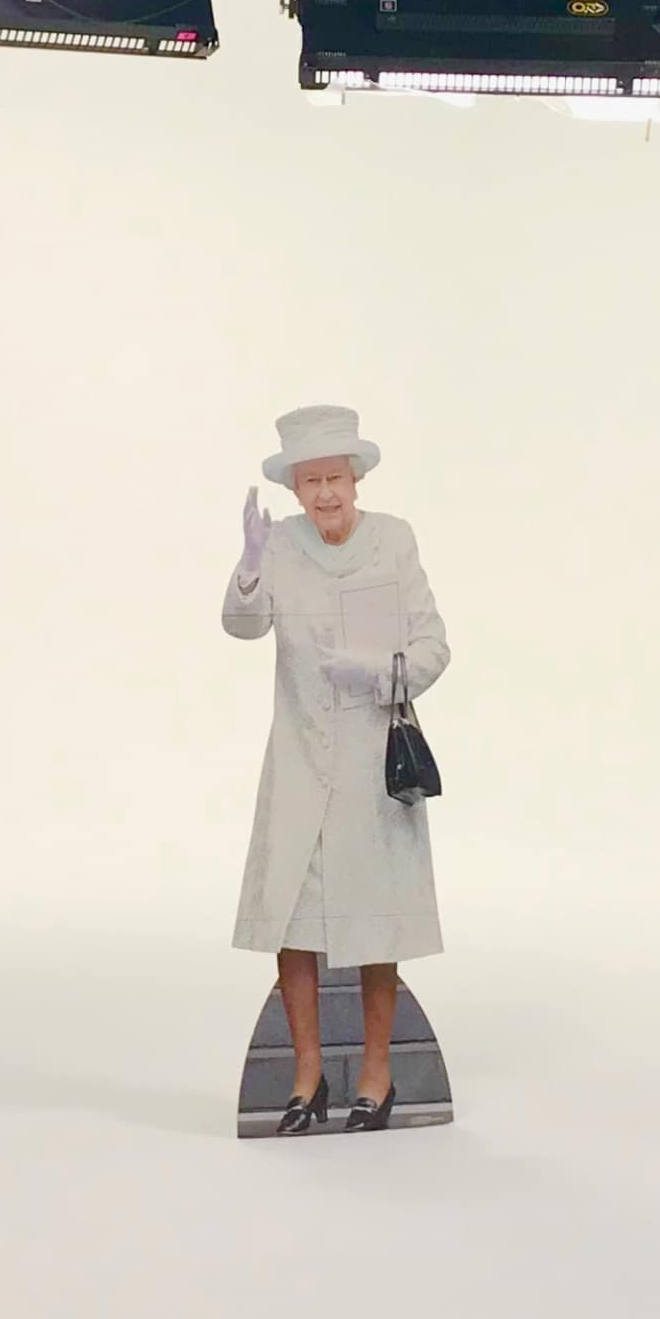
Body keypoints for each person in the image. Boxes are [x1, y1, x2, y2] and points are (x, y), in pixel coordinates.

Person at [224, 405, 449, 1132]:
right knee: (293, 921)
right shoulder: (283, 547)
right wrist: (252, 565)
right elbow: (242, 626)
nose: (325, 493)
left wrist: (379, 672)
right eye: (311, 480)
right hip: (298, 759)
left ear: (356, 480)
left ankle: (377, 1078)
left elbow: (433, 648)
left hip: (370, 764)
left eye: (336, 478)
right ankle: (307, 1077)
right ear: (294, 489)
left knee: (376, 925)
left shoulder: (393, 542)